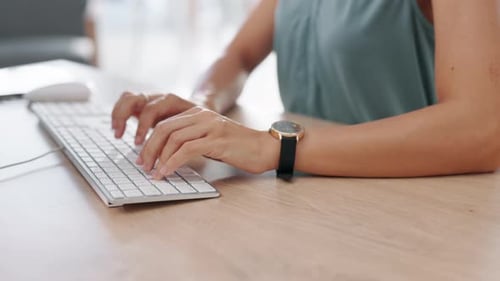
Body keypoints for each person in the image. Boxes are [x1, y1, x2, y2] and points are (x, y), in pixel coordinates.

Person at [111, 0, 500, 180]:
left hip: (415, 209)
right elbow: (239, 55)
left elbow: (481, 129)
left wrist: (276, 147)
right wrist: (200, 105)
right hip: (307, 199)